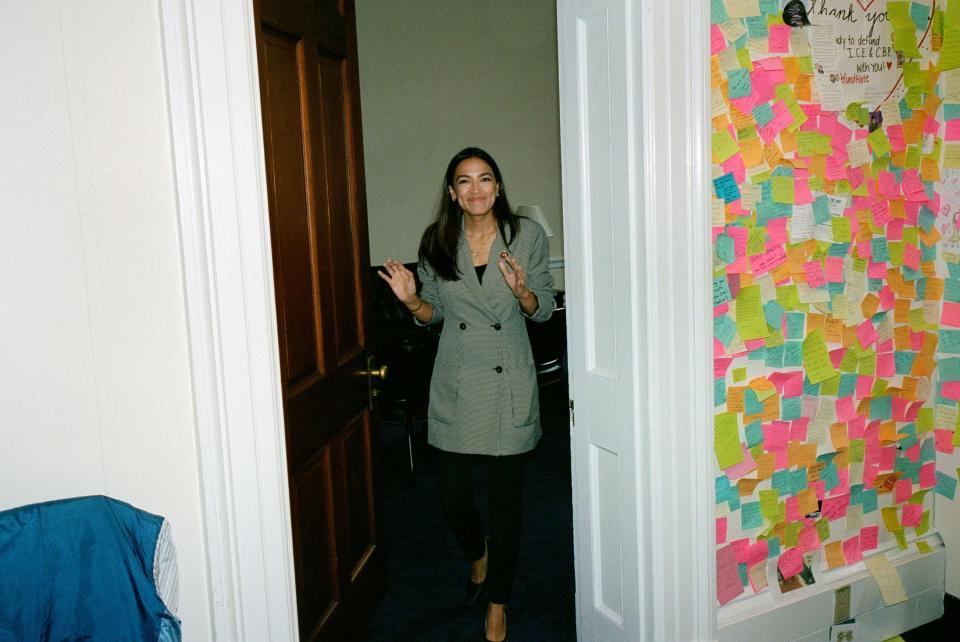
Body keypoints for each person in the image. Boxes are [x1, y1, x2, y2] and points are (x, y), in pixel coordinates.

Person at [378, 147, 555, 641]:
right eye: (464, 181)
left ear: (498, 187)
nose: (475, 190)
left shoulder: (527, 236)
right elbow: (433, 314)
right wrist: (412, 299)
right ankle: (478, 553)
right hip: (456, 377)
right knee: (452, 494)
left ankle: (497, 603)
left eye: (485, 179)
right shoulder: (438, 241)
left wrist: (521, 291)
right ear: (452, 193)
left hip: (508, 379)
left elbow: (541, 309)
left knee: (507, 502)